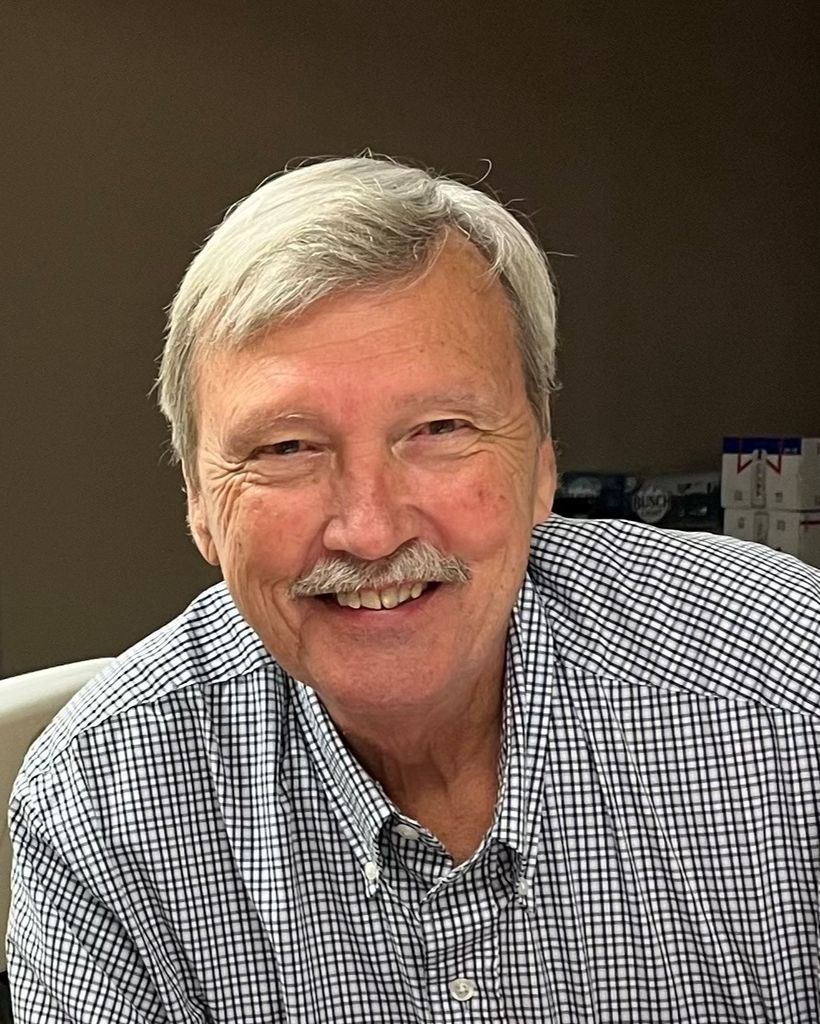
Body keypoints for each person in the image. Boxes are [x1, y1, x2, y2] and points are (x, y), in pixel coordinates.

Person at [7, 157, 820, 1024]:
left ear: (543, 463)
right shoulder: (100, 800)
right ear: (200, 504)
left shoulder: (791, 689)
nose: (370, 530)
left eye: (439, 429)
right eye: (286, 448)